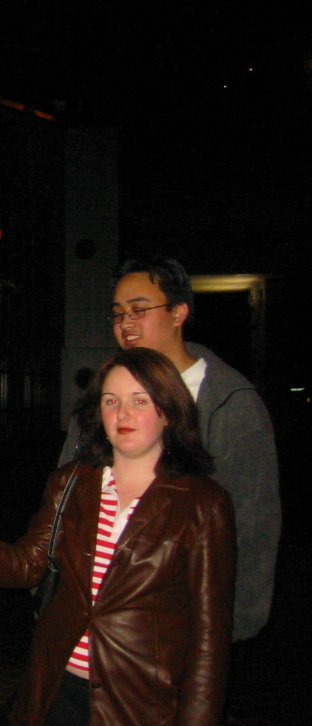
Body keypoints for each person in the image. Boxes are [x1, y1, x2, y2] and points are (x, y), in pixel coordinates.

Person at [0, 347, 236, 726]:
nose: (122, 414)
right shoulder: (73, 481)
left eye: (139, 400)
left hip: (141, 698)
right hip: (57, 685)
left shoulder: (202, 503)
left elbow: (209, 636)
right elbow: (26, 566)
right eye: (111, 400)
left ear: (168, 411)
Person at [59, 257, 279, 642]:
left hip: (178, 622)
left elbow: (252, 523)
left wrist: (230, 622)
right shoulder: (104, 394)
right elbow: (66, 497)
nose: (126, 323)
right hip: (93, 613)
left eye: (139, 310)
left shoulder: (228, 403)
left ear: (178, 313)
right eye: (118, 313)